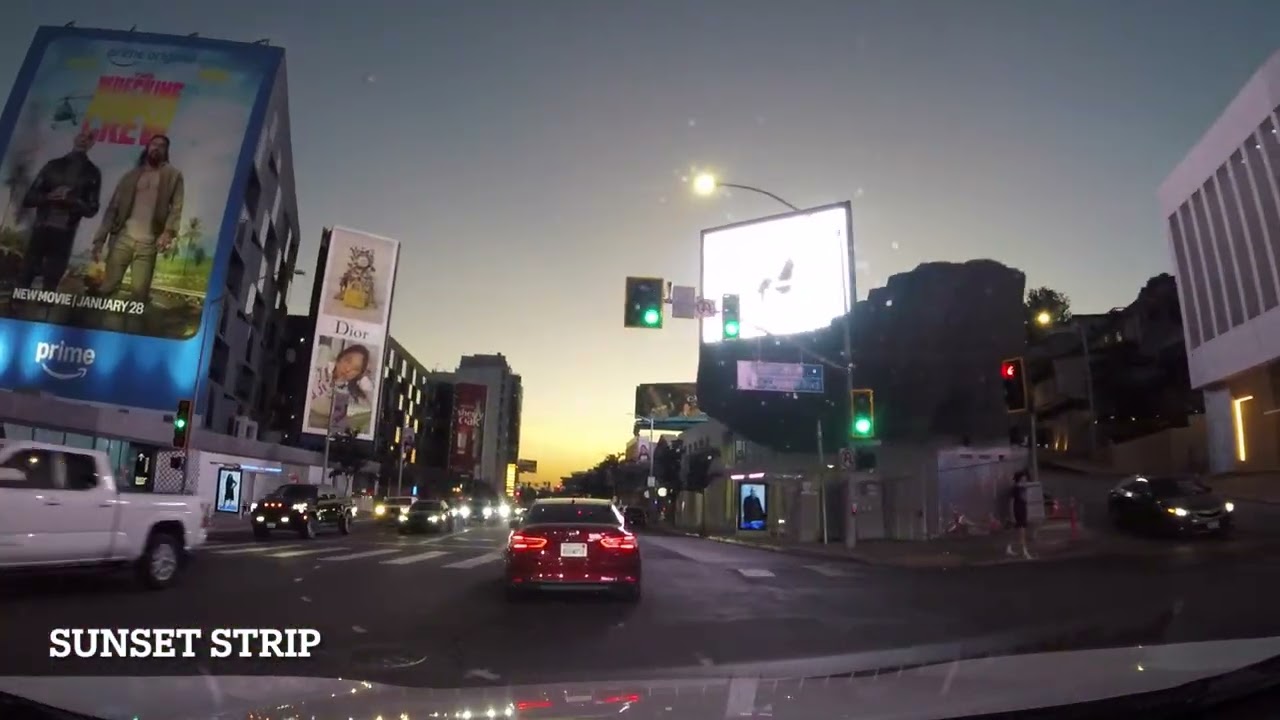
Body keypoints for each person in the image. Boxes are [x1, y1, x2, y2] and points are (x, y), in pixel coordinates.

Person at [91, 134, 185, 305]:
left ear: (166, 151)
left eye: (162, 146)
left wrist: (168, 232)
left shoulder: (173, 175)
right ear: (148, 148)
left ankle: (132, 322)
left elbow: (176, 208)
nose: (157, 148)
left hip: (148, 244)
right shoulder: (130, 176)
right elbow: (112, 209)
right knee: (107, 288)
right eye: (154, 144)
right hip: (123, 240)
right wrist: (99, 240)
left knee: (139, 296)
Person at [19, 127, 102, 290]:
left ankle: (41, 302)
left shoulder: (92, 173)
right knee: (25, 277)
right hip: (41, 228)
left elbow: (92, 209)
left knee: (51, 282)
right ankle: (16, 302)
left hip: (65, 234)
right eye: (82, 135)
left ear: (92, 143)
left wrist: (73, 201)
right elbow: (29, 198)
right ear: (75, 137)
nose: (84, 139)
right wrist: (49, 197)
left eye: (89, 138)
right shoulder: (53, 165)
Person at [1006, 469, 1033, 559]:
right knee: (1021, 532)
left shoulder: (1023, 488)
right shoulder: (1015, 488)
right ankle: (1024, 552)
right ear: (1020, 478)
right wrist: (1012, 515)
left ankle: (1009, 548)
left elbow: (1025, 500)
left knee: (1017, 532)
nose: (1025, 479)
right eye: (1023, 478)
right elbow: (1011, 502)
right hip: (1018, 511)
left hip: (1023, 510)